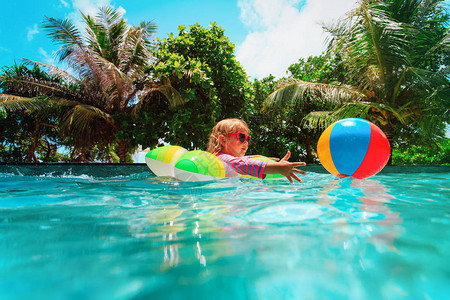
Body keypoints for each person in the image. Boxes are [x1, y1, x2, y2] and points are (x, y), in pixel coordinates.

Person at [207, 118, 306, 183]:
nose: (246, 142)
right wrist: (278, 167)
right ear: (223, 140)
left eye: (248, 139)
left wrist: (262, 158)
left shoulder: (223, 158)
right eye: (241, 137)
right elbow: (243, 164)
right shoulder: (222, 158)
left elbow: (242, 160)